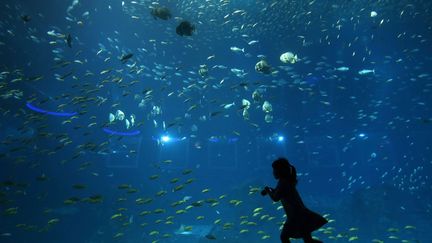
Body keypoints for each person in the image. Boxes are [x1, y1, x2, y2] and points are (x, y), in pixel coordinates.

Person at [261, 158, 327, 243]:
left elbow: (276, 198)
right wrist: (270, 190)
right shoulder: (284, 181)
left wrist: (268, 190)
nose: (273, 172)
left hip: (296, 216)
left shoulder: (283, 183)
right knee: (308, 240)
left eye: (275, 170)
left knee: (284, 237)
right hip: (300, 214)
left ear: (281, 170)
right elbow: (280, 193)